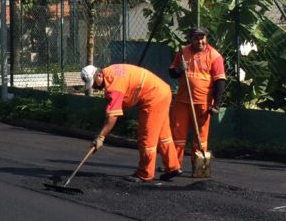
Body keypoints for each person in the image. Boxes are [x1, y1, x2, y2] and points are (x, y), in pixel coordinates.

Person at [81, 63, 183, 183]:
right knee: (163, 136)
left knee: (146, 137)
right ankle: (173, 167)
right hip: (162, 91)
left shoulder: (114, 86)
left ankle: (145, 173)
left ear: (99, 75)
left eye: (93, 83)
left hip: (153, 97)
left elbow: (112, 116)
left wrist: (100, 137)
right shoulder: (110, 71)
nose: (93, 87)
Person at [168, 26, 227, 172]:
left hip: (203, 103)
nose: (199, 41)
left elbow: (220, 82)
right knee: (177, 135)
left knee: (200, 139)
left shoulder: (215, 56)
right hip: (182, 101)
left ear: (206, 39)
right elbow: (172, 72)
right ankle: (174, 166)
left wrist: (217, 104)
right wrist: (180, 70)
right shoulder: (182, 52)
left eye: (202, 38)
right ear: (191, 39)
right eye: (196, 38)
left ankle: (199, 167)